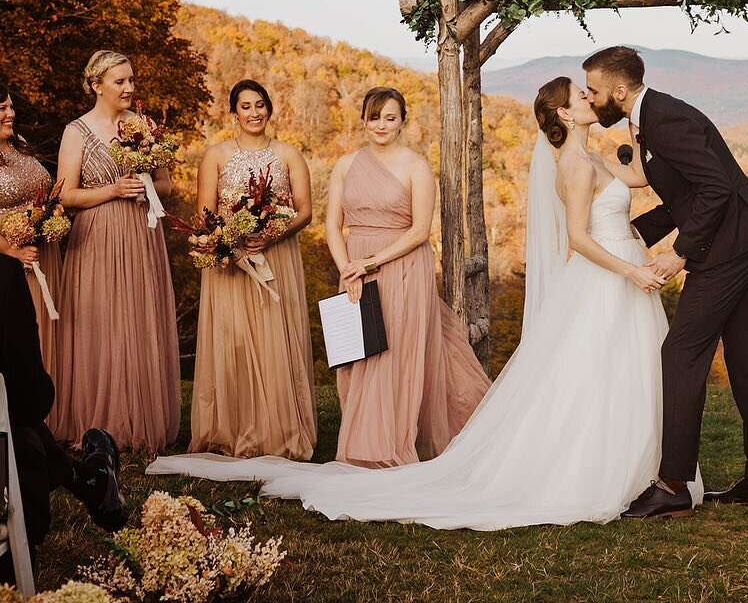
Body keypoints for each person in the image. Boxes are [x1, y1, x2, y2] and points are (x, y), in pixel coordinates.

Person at [147, 77, 703, 528]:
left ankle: (626, 460)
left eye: (391, 117)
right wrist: (348, 262)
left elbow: (421, 228)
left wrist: (644, 145)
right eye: (375, 116)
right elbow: (333, 218)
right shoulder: (574, 165)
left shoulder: (585, 158)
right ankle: (367, 444)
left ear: (402, 122)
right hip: (368, 265)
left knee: (605, 368)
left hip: (405, 264)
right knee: (361, 357)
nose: (589, 97)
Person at [582, 46, 748, 519]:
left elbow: (716, 187)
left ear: (619, 89)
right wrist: (640, 230)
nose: (590, 100)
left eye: (593, 91)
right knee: (746, 355)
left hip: (728, 245)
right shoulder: (645, 117)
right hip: (736, 237)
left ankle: (673, 483)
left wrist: (679, 252)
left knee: (680, 352)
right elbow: (689, 190)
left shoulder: (665, 117)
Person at [49, 50, 180, 451]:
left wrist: (144, 186)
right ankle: (96, 422)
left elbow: (167, 187)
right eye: (120, 81)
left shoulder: (145, 126)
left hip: (142, 234)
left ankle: (140, 419)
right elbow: (64, 195)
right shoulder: (77, 131)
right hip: (97, 236)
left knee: (139, 321)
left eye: (131, 80)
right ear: (96, 85)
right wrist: (112, 190)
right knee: (99, 321)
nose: (129, 88)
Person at [186, 80, 317, 459]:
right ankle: (228, 427)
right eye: (246, 106)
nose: (254, 113)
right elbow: (204, 213)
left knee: (275, 339)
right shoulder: (216, 155)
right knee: (232, 340)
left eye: (260, 105)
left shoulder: (288, 155)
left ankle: (278, 429)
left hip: (277, 258)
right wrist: (228, 241)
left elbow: (305, 212)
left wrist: (272, 235)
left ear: (269, 109)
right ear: (234, 113)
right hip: (230, 262)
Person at [0, 253, 126, 585]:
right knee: (16, 420)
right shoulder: (4, 274)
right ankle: (88, 480)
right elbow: (32, 401)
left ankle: (91, 481)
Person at [0, 86, 62, 374]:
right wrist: (12, 251)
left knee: (51, 337)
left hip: (43, 256)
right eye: (2, 109)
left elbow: (42, 191)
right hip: (12, 265)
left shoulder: (20, 143)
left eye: (11, 107)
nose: (10, 114)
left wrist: (54, 211)